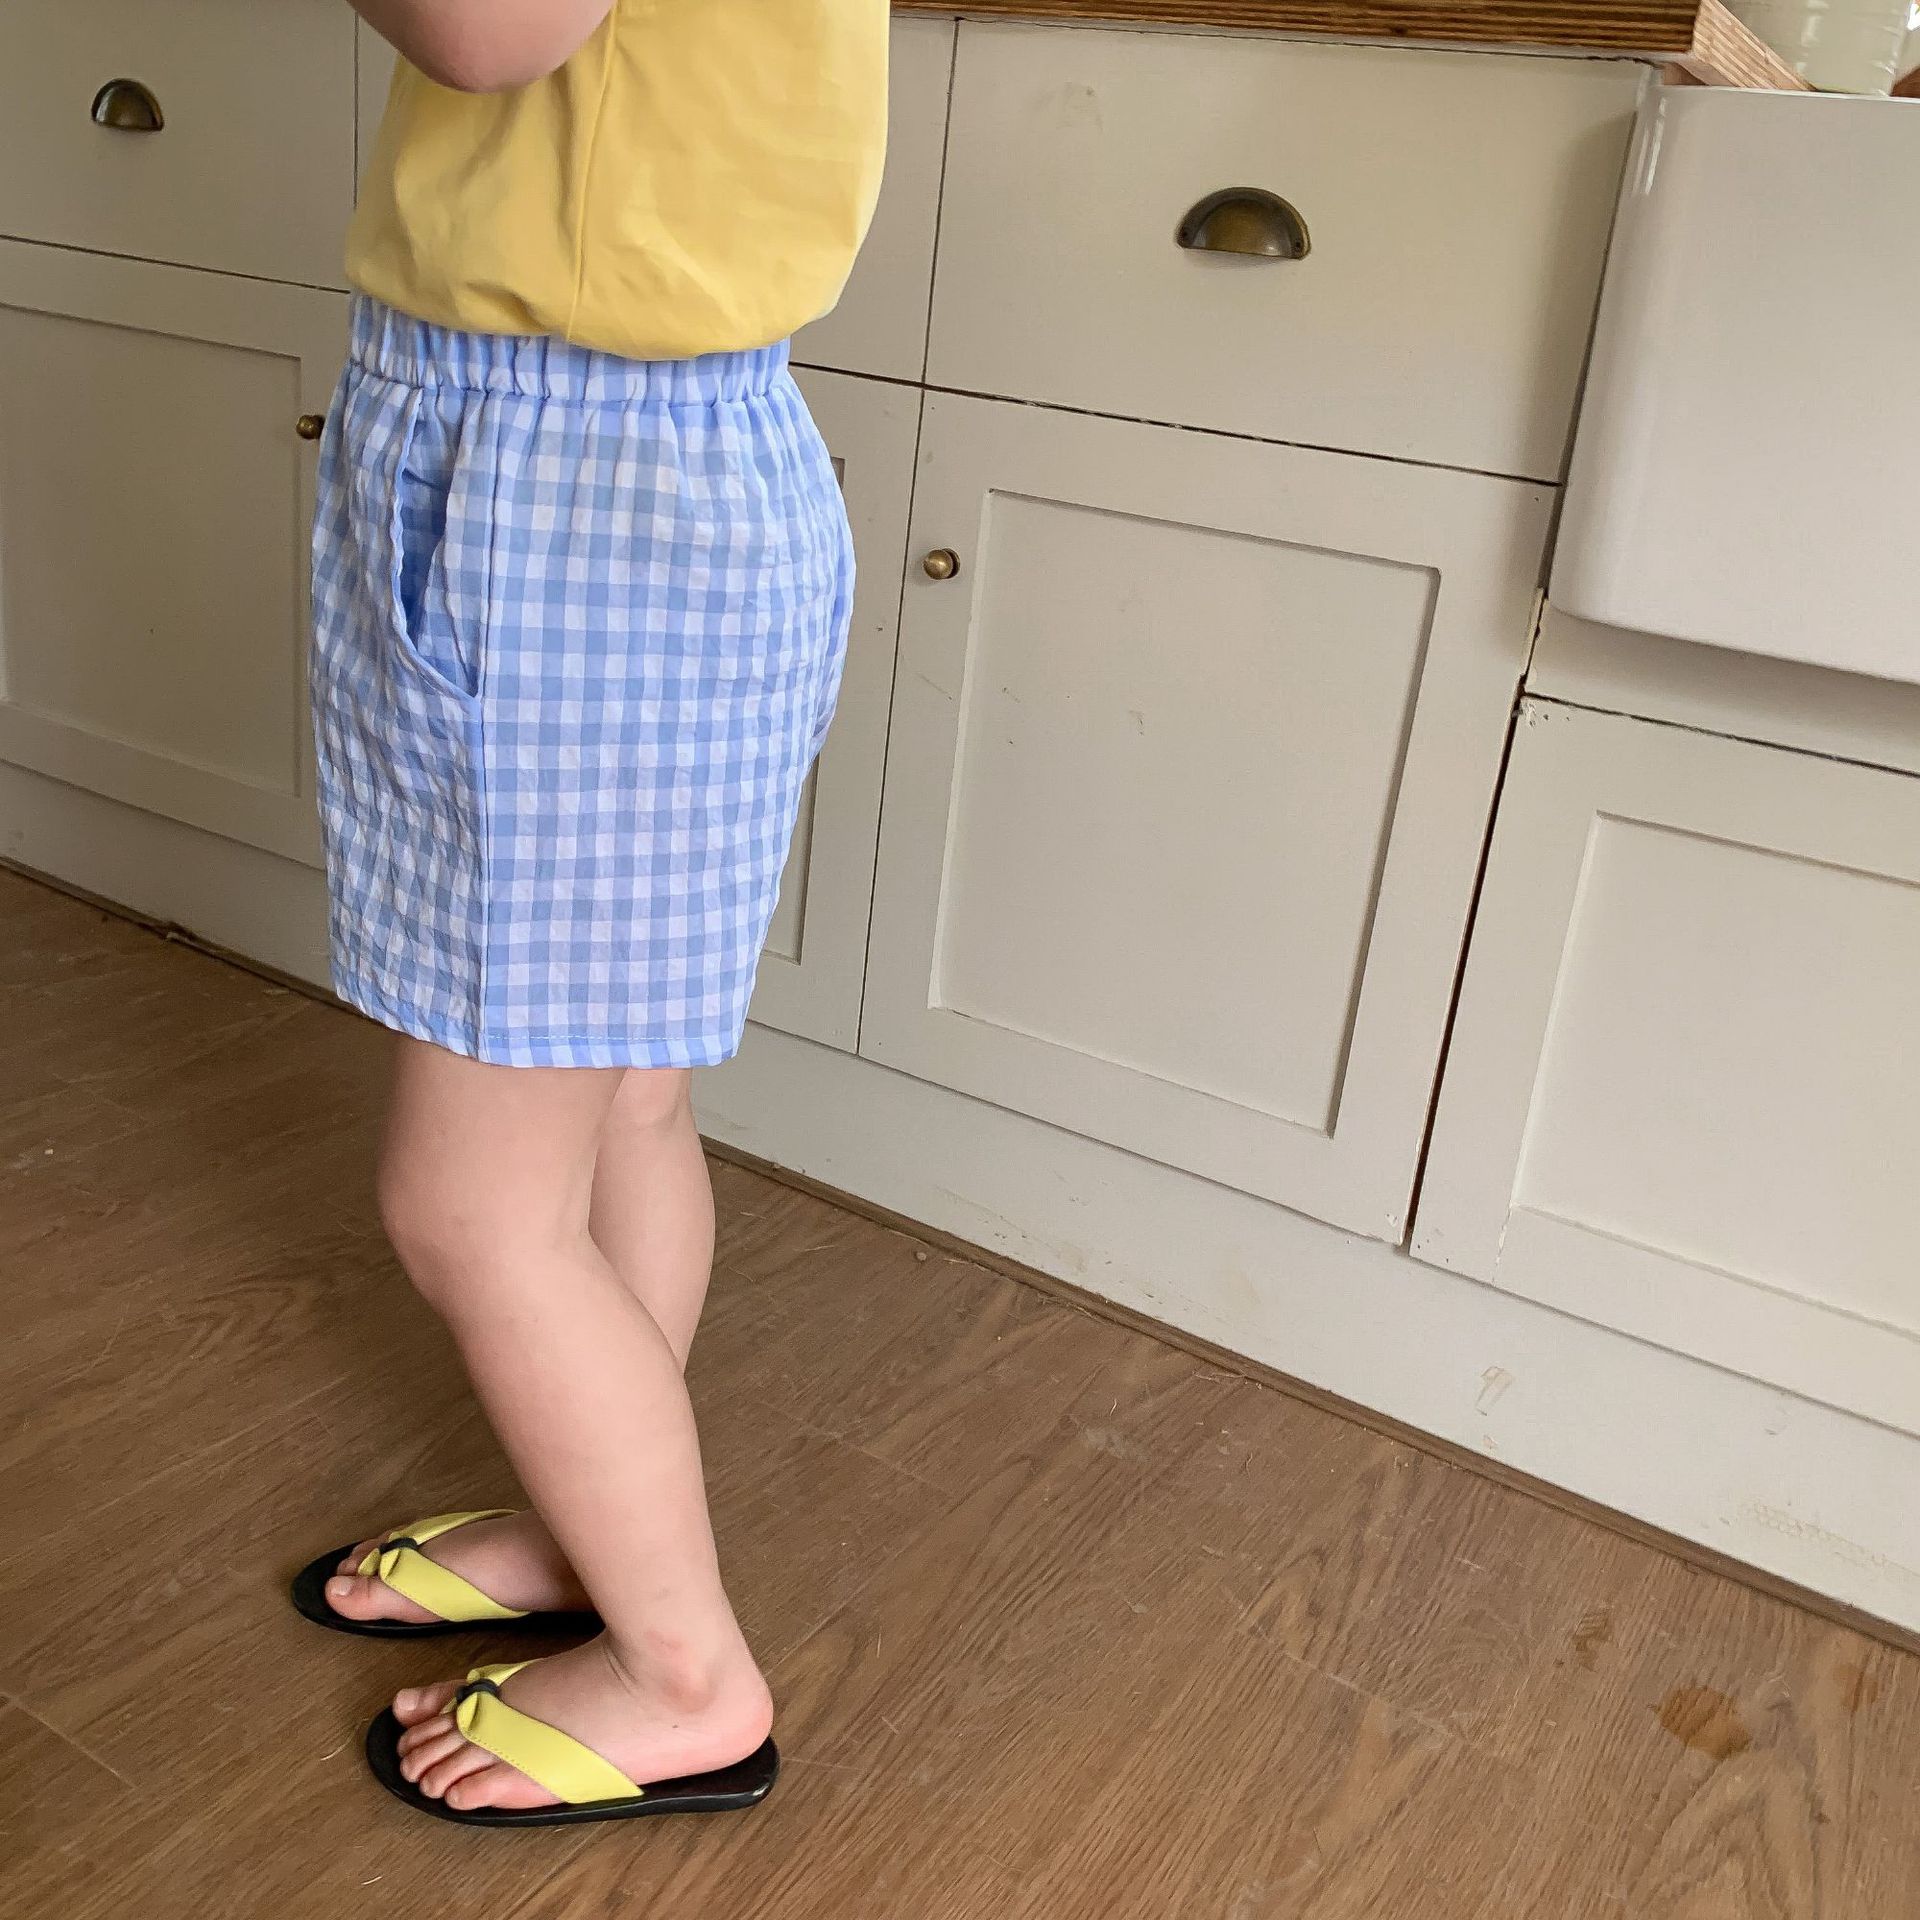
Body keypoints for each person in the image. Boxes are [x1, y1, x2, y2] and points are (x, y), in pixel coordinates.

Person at [289, 0, 886, 1828]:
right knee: (618, 1097)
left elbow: (490, 25)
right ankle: (589, 1531)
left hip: (566, 501)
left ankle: (684, 1673)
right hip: (646, 459)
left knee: (471, 1205)